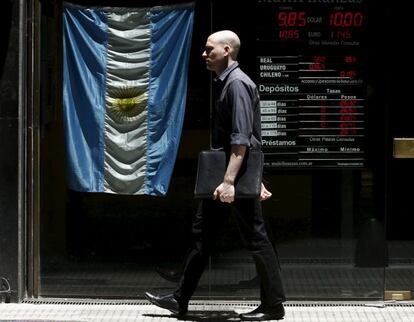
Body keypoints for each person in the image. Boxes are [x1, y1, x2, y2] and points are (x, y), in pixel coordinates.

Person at [145, 30, 286, 321]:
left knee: (256, 239)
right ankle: (179, 299)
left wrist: (231, 182)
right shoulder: (227, 83)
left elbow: (242, 139)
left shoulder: (237, 84)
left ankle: (274, 305)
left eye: (210, 49)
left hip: (230, 178)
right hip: (229, 175)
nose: (204, 54)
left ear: (227, 51)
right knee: (203, 234)